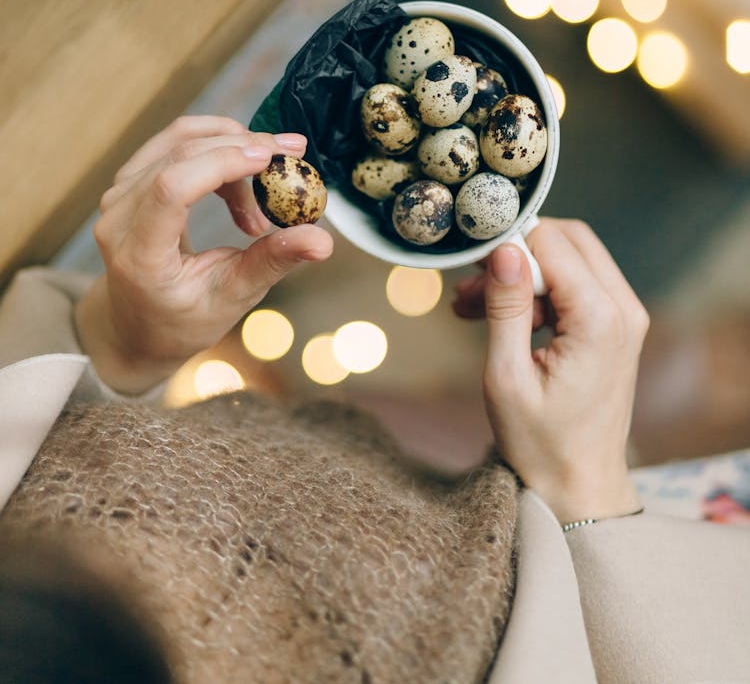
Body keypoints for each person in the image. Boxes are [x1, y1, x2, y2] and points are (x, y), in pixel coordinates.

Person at [0, 115, 748, 684]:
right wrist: (590, 492)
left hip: (325, 456)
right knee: (665, 385)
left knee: (628, 377)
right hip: (565, 572)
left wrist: (118, 342)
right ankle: (677, 410)